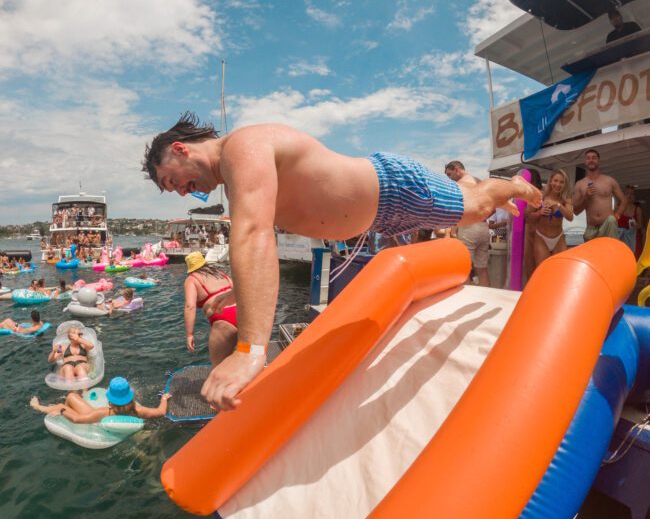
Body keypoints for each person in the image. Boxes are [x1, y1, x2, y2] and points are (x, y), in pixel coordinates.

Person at [142, 114, 541, 410]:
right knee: (472, 206)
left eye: (171, 181)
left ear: (181, 149)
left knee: (476, 207)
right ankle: (477, 188)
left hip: (393, 189)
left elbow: (251, 235)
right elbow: (249, 248)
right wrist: (229, 293)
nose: (179, 193)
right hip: (381, 218)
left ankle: (512, 184)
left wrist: (250, 350)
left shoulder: (241, 147)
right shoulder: (237, 177)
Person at [30, 376, 170, 423]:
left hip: (93, 423)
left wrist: (62, 411)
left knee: (69, 398)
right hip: (110, 425)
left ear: (110, 401)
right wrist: (164, 398)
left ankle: (38, 407)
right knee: (71, 399)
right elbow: (161, 411)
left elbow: (77, 420)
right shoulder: (139, 411)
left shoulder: (104, 412)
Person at [183, 252, 237, 366]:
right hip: (242, 314)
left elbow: (190, 306)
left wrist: (189, 335)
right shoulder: (220, 273)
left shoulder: (192, 279)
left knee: (218, 365)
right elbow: (236, 291)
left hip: (224, 319)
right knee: (244, 354)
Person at [444, 161, 491, 287]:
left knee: (465, 268)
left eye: (449, 174)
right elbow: (493, 209)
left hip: (469, 228)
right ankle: (486, 298)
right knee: (482, 269)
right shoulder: (480, 181)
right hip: (483, 228)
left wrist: (452, 231)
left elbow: (457, 210)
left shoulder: (460, 185)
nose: (449, 178)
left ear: (457, 170)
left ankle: (467, 300)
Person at [573, 149, 626, 242]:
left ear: (598, 161)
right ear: (585, 162)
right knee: (591, 256)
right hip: (591, 228)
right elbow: (576, 211)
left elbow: (624, 200)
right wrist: (586, 197)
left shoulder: (609, 180)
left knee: (610, 254)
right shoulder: (580, 184)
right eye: (588, 158)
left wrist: (616, 216)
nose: (591, 160)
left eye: (594, 158)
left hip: (608, 226)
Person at [530, 169, 574, 267]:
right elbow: (528, 216)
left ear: (565, 185)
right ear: (550, 181)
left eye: (561, 182)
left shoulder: (566, 198)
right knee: (543, 269)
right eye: (556, 181)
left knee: (559, 270)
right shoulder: (541, 196)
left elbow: (570, 217)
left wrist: (558, 205)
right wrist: (539, 213)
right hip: (541, 238)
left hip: (559, 238)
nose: (558, 184)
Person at [618, 185, 644, 254]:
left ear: (634, 197)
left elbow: (641, 226)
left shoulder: (637, 209)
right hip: (620, 239)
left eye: (632, 194)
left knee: (635, 259)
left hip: (634, 239)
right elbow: (613, 222)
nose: (629, 196)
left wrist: (636, 225)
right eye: (627, 193)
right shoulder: (618, 207)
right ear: (624, 195)